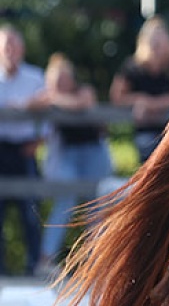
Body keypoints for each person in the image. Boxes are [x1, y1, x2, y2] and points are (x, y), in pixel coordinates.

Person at [29, 53, 112, 277]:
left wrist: (54, 98)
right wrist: (46, 98)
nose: (61, 83)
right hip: (66, 154)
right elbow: (29, 104)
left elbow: (81, 104)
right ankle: (45, 260)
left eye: (64, 78)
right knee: (64, 203)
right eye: (56, 80)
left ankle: (97, 262)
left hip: (93, 152)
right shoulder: (48, 97)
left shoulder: (82, 91)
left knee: (97, 207)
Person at [109, 15, 169, 163]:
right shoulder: (132, 67)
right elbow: (116, 97)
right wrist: (139, 99)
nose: (156, 45)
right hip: (145, 133)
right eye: (153, 41)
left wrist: (148, 104)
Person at [0, 25, 45, 275]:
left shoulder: (35, 77)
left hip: (25, 149)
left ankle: (34, 266)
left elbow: (50, 114)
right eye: (5, 45)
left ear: (21, 49)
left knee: (30, 213)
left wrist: (38, 142)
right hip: (1, 149)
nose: (9, 50)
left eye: (13, 45)